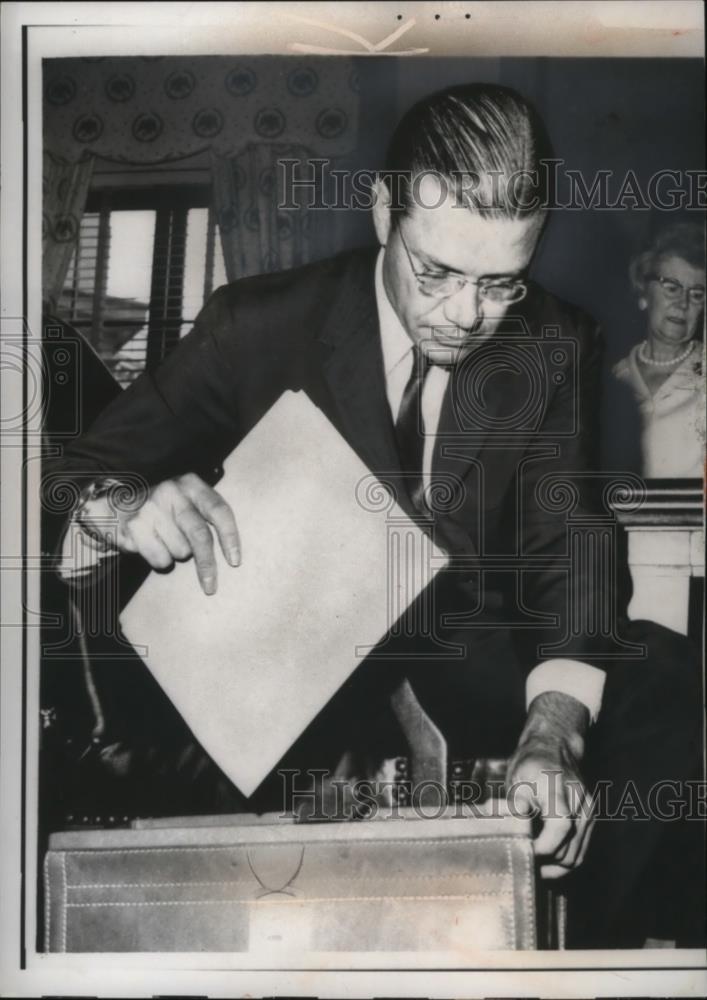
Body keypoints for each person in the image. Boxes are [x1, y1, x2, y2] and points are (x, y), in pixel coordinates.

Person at [48, 83, 702, 948]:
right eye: (436, 271)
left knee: (668, 678)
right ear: (383, 209)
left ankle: (563, 957)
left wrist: (552, 730)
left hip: (476, 658)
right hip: (306, 677)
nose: (466, 317)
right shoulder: (258, 324)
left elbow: (570, 543)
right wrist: (118, 508)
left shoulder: (550, 337)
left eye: (500, 282)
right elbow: (75, 470)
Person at [607, 221, 705, 478]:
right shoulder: (614, 379)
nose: (682, 304)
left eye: (696, 294)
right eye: (672, 288)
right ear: (643, 291)